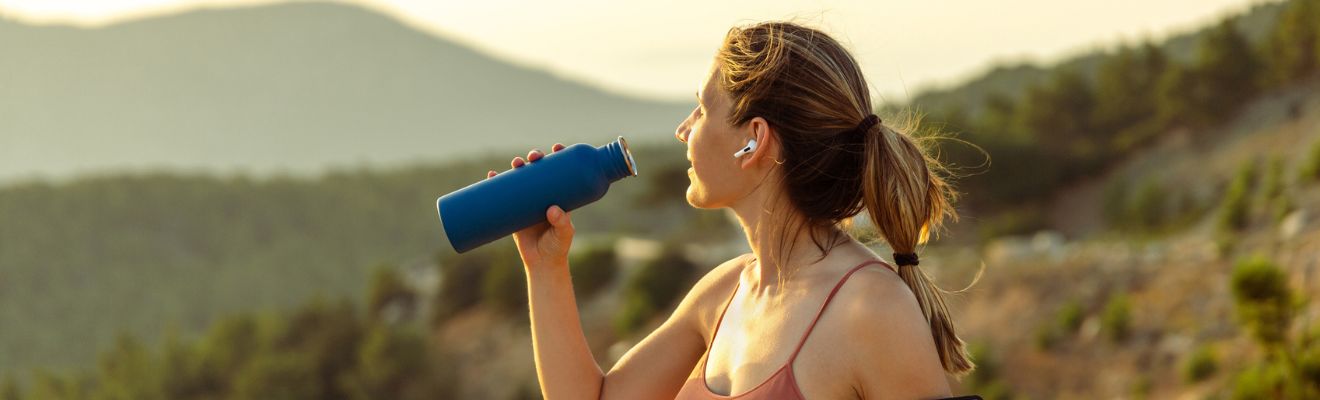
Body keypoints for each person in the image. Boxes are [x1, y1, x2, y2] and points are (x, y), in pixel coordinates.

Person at [487, 21, 975, 400]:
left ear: (753, 140)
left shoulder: (872, 308)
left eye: (700, 109)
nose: (684, 129)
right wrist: (544, 265)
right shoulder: (723, 293)